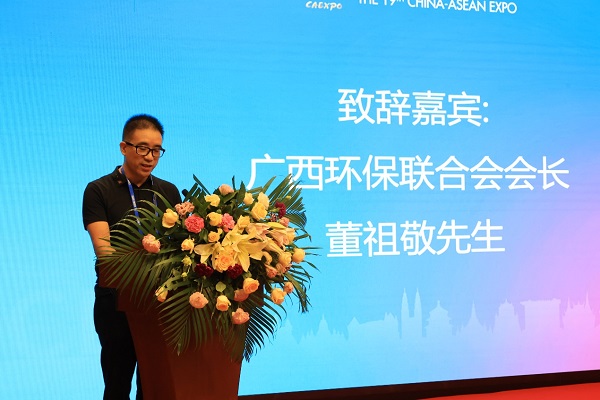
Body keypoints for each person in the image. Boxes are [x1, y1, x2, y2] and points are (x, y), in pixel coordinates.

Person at [82, 114, 181, 399]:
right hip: (117, 301)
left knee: (153, 387)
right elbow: (104, 252)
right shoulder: (99, 190)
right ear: (124, 147)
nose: (150, 157)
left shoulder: (167, 191)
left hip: (160, 303)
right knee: (117, 386)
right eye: (142, 148)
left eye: (156, 150)